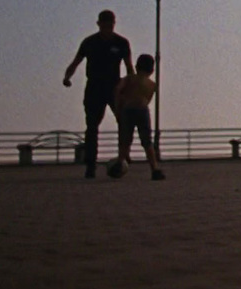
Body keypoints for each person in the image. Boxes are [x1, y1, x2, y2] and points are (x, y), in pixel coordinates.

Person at [63, 10, 132, 178]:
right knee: (92, 126)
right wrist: (67, 77)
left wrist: (130, 86)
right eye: (106, 25)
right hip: (94, 87)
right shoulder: (89, 42)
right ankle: (91, 164)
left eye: (111, 25)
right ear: (99, 24)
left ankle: (123, 158)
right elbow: (76, 62)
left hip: (115, 87)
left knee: (124, 122)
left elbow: (129, 67)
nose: (108, 28)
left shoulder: (122, 43)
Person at [114, 54, 165, 181]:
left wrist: (118, 107)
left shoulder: (129, 79)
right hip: (143, 110)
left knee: (125, 139)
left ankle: (120, 163)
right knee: (147, 141)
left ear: (136, 67)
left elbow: (117, 90)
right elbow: (147, 100)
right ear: (152, 70)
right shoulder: (152, 85)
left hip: (128, 109)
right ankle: (154, 168)